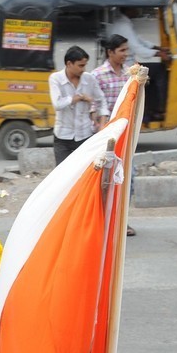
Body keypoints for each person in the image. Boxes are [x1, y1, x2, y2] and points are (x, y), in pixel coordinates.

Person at [93, 35, 136, 236]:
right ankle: (102, 222)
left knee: (126, 180)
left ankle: (120, 222)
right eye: (122, 50)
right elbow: (94, 107)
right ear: (110, 52)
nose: (125, 54)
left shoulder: (130, 75)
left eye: (127, 50)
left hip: (125, 137)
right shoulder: (98, 76)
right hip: (106, 139)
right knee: (104, 181)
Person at [49, 45, 108, 165]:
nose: (83, 69)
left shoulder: (89, 79)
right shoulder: (56, 79)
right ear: (69, 64)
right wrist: (79, 98)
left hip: (84, 136)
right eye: (80, 65)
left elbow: (101, 101)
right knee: (62, 175)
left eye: (85, 65)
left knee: (83, 175)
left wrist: (102, 124)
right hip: (62, 137)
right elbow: (57, 104)